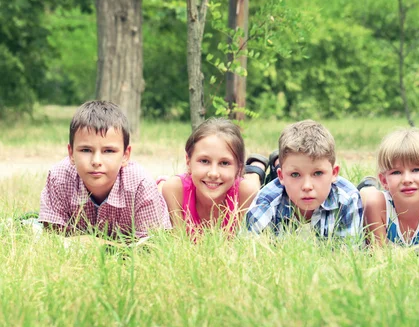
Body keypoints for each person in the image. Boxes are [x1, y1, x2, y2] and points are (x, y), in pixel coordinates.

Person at [39, 101, 171, 242]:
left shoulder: (141, 185)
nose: (96, 161)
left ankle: (162, 185)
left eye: (108, 151)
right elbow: (51, 239)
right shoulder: (59, 178)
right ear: (71, 153)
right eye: (85, 150)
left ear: (125, 155)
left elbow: (152, 245)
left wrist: (100, 245)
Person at [246, 120, 363, 239]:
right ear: (281, 176)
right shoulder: (267, 201)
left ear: (334, 173)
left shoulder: (347, 199)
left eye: (318, 173)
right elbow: (251, 250)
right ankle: (259, 169)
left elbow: (348, 251)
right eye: (295, 174)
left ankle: (279, 163)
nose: (307, 186)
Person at [160, 118, 261, 238]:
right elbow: (179, 242)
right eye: (204, 161)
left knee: (254, 184)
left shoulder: (246, 193)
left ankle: (257, 168)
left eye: (224, 163)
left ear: (239, 168)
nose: (213, 173)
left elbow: (241, 242)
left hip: (243, 184)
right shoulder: (175, 190)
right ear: (188, 162)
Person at [359, 129, 419, 246]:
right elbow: (378, 257)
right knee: (366, 195)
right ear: (383, 180)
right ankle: (368, 185)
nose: (407, 179)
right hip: (378, 198)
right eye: (396, 172)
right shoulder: (376, 205)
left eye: (416, 170)